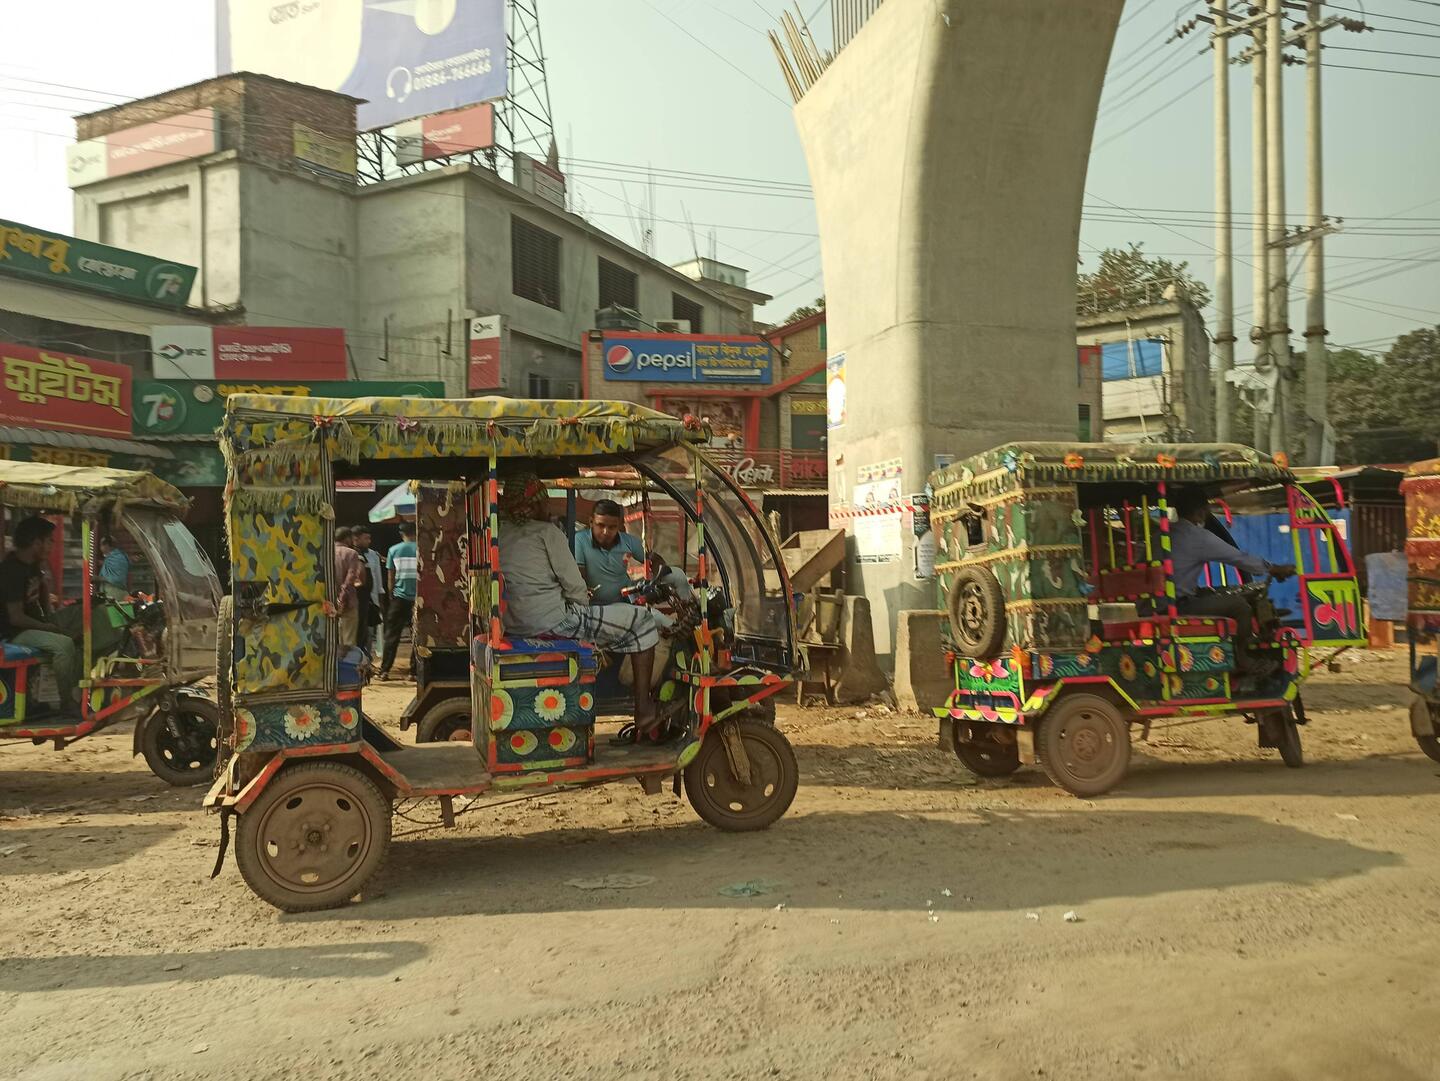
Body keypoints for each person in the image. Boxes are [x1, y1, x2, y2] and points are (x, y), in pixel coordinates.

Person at [497, 472, 664, 738]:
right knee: (642, 621)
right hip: (554, 621)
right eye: (544, 502)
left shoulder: (499, 534)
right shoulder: (547, 533)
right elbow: (575, 586)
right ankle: (643, 709)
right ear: (537, 505)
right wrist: (581, 607)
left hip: (515, 624)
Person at [1170, 488, 1295, 676]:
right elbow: (1238, 558)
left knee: (1210, 593)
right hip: (1177, 607)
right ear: (1201, 511)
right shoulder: (1196, 536)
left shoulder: (1162, 534)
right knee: (1240, 606)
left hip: (1159, 604)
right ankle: (1242, 658)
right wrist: (1274, 569)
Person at [0, 517, 80, 713]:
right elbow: (16, 617)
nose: (52, 545)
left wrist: (50, 615)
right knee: (64, 645)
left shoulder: (33, 565)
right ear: (36, 543)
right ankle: (67, 701)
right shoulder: (11, 571)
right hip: (16, 632)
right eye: (49, 540)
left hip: (36, 624)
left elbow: (42, 593)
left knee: (84, 619)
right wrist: (48, 627)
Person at [574, 499, 691, 628]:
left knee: (677, 574)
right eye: (600, 525)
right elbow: (578, 577)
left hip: (628, 595)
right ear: (591, 522)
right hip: (601, 607)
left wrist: (656, 578)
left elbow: (653, 558)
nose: (606, 532)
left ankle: (688, 616)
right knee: (662, 622)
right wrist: (585, 592)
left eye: (612, 527)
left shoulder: (628, 541)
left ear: (619, 525)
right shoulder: (579, 540)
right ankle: (676, 627)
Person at [379, 521, 418, 681]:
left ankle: (384, 671)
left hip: (399, 597)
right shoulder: (422, 548)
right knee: (417, 636)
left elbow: (391, 576)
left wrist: (391, 595)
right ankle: (413, 672)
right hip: (419, 599)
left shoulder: (393, 550)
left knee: (392, 635)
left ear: (401, 534)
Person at [333, 526, 365, 648]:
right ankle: (348, 660)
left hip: (329, 600)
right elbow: (351, 575)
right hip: (348, 600)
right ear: (347, 538)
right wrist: (342, 596)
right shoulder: (351, 553)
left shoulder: (326, 552)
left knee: (334, 638)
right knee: (349, 639)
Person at [354, 526, 384, 652]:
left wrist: (380, 601)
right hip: (354, 600)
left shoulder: (373, 555)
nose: (369, 541)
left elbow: (378, 578)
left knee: (369, 632)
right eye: (366, 538)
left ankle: (367, 659)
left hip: (371, 600)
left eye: (369, 538)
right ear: (356, 538)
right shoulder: (349, 554)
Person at [96, 534, 130, 602]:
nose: (100, 548)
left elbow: (117, 579)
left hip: (116, 594)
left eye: (101, 545)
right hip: (109, 594)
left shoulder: (118, 558)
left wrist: (98, 578)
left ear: (106, 545)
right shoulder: (112, 558)